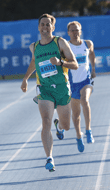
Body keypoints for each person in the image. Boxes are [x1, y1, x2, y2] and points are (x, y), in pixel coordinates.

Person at [20, 14, 78, 172]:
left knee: (66, 125)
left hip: (61, 87)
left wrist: (60, 62)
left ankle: (59, 126)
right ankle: (49, 157)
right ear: (38, 27)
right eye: (42, 24)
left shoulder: (60, 42)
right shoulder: (34, 46)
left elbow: (75, 64)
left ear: (53, 27)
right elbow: (34, 62)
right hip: (44, 88)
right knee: (45, 121)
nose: (45, 27)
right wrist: (25, 78)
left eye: (48, 25)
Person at [55, 21, 96, 151]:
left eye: (77, 30)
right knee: (76, 114)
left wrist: (93, 68)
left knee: (85, 100)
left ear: (80, 30)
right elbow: (59, 63)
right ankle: (79, 136)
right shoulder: (65, 47)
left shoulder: (87, 44)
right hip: (71, 84)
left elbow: (92, 54)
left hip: (86, 81)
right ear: (68, 33)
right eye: (72, 30)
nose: (75, 32)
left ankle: (88, 130)